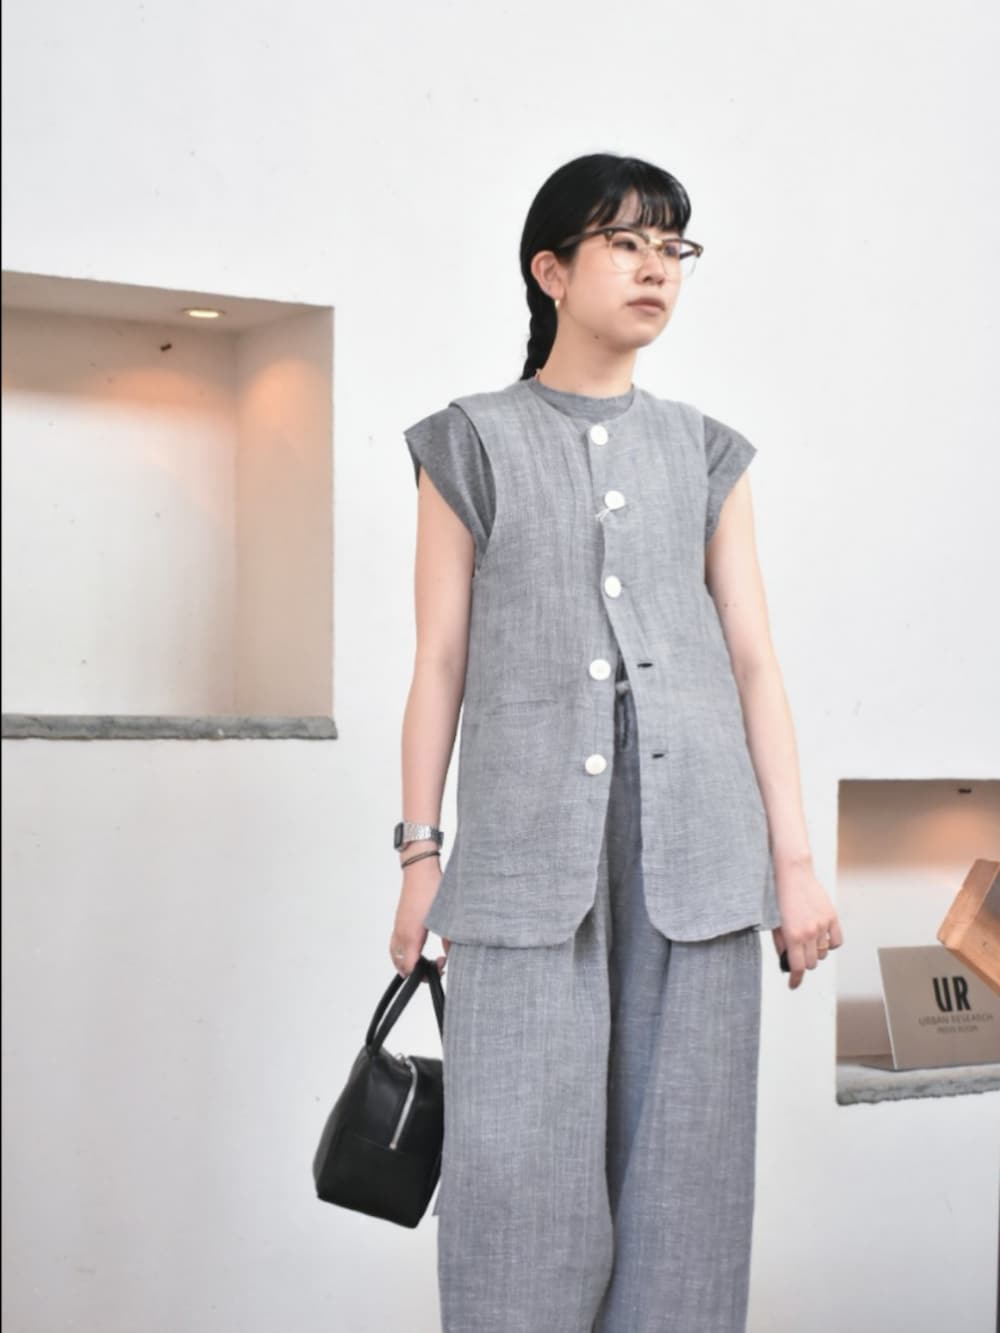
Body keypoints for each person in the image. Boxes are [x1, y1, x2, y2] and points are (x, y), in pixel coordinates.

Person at [391, 152, 843, 1333]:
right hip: (523, 866)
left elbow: (752, 657)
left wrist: (794, 865)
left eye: (672, 247)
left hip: (700, 858)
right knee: (518, 1188)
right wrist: (419, 854)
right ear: (550, 271)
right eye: (625, 243)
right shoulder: (469, 442)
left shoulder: (705, 449)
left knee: (687, 1189)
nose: (655, 269)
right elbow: (438, 663)